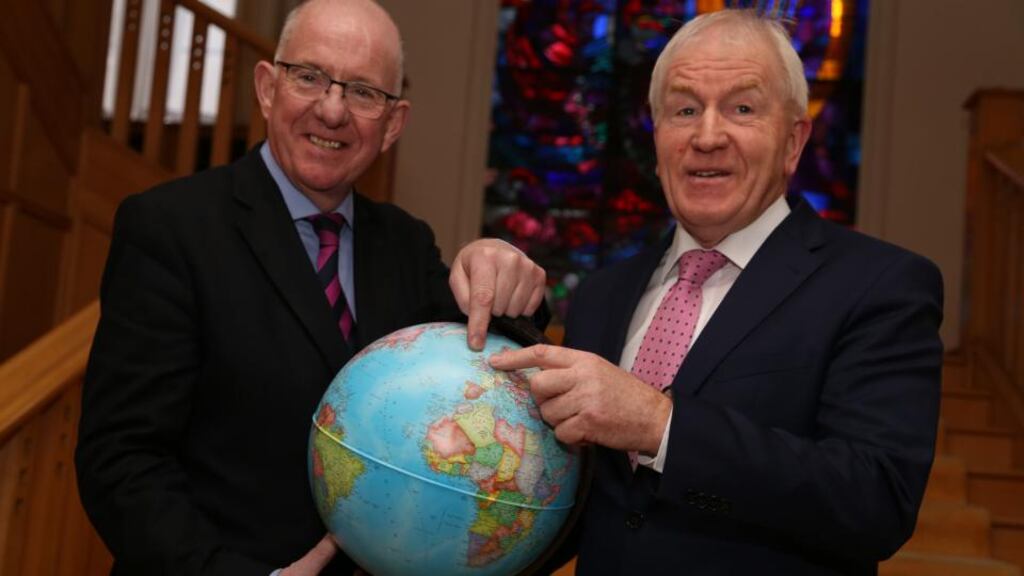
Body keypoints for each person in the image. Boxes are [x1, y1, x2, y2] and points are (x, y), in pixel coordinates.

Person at [75, 1, 547, 574]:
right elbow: (121, 459)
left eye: (364, 93)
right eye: (309, 78)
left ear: (393, 123)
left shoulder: (405, 244)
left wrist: (503, 268)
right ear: (268, 87)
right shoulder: (171, 228)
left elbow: (491, 352)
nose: (332, 110)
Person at [491, 9, 944, 575]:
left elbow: (875, 502)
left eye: (743, 109)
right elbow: (579, 507)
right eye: (684, 110)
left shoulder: (879, 286)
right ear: (657, 139)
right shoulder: (602, 296)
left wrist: (662, 426)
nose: (707, 136)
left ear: (794, 141)